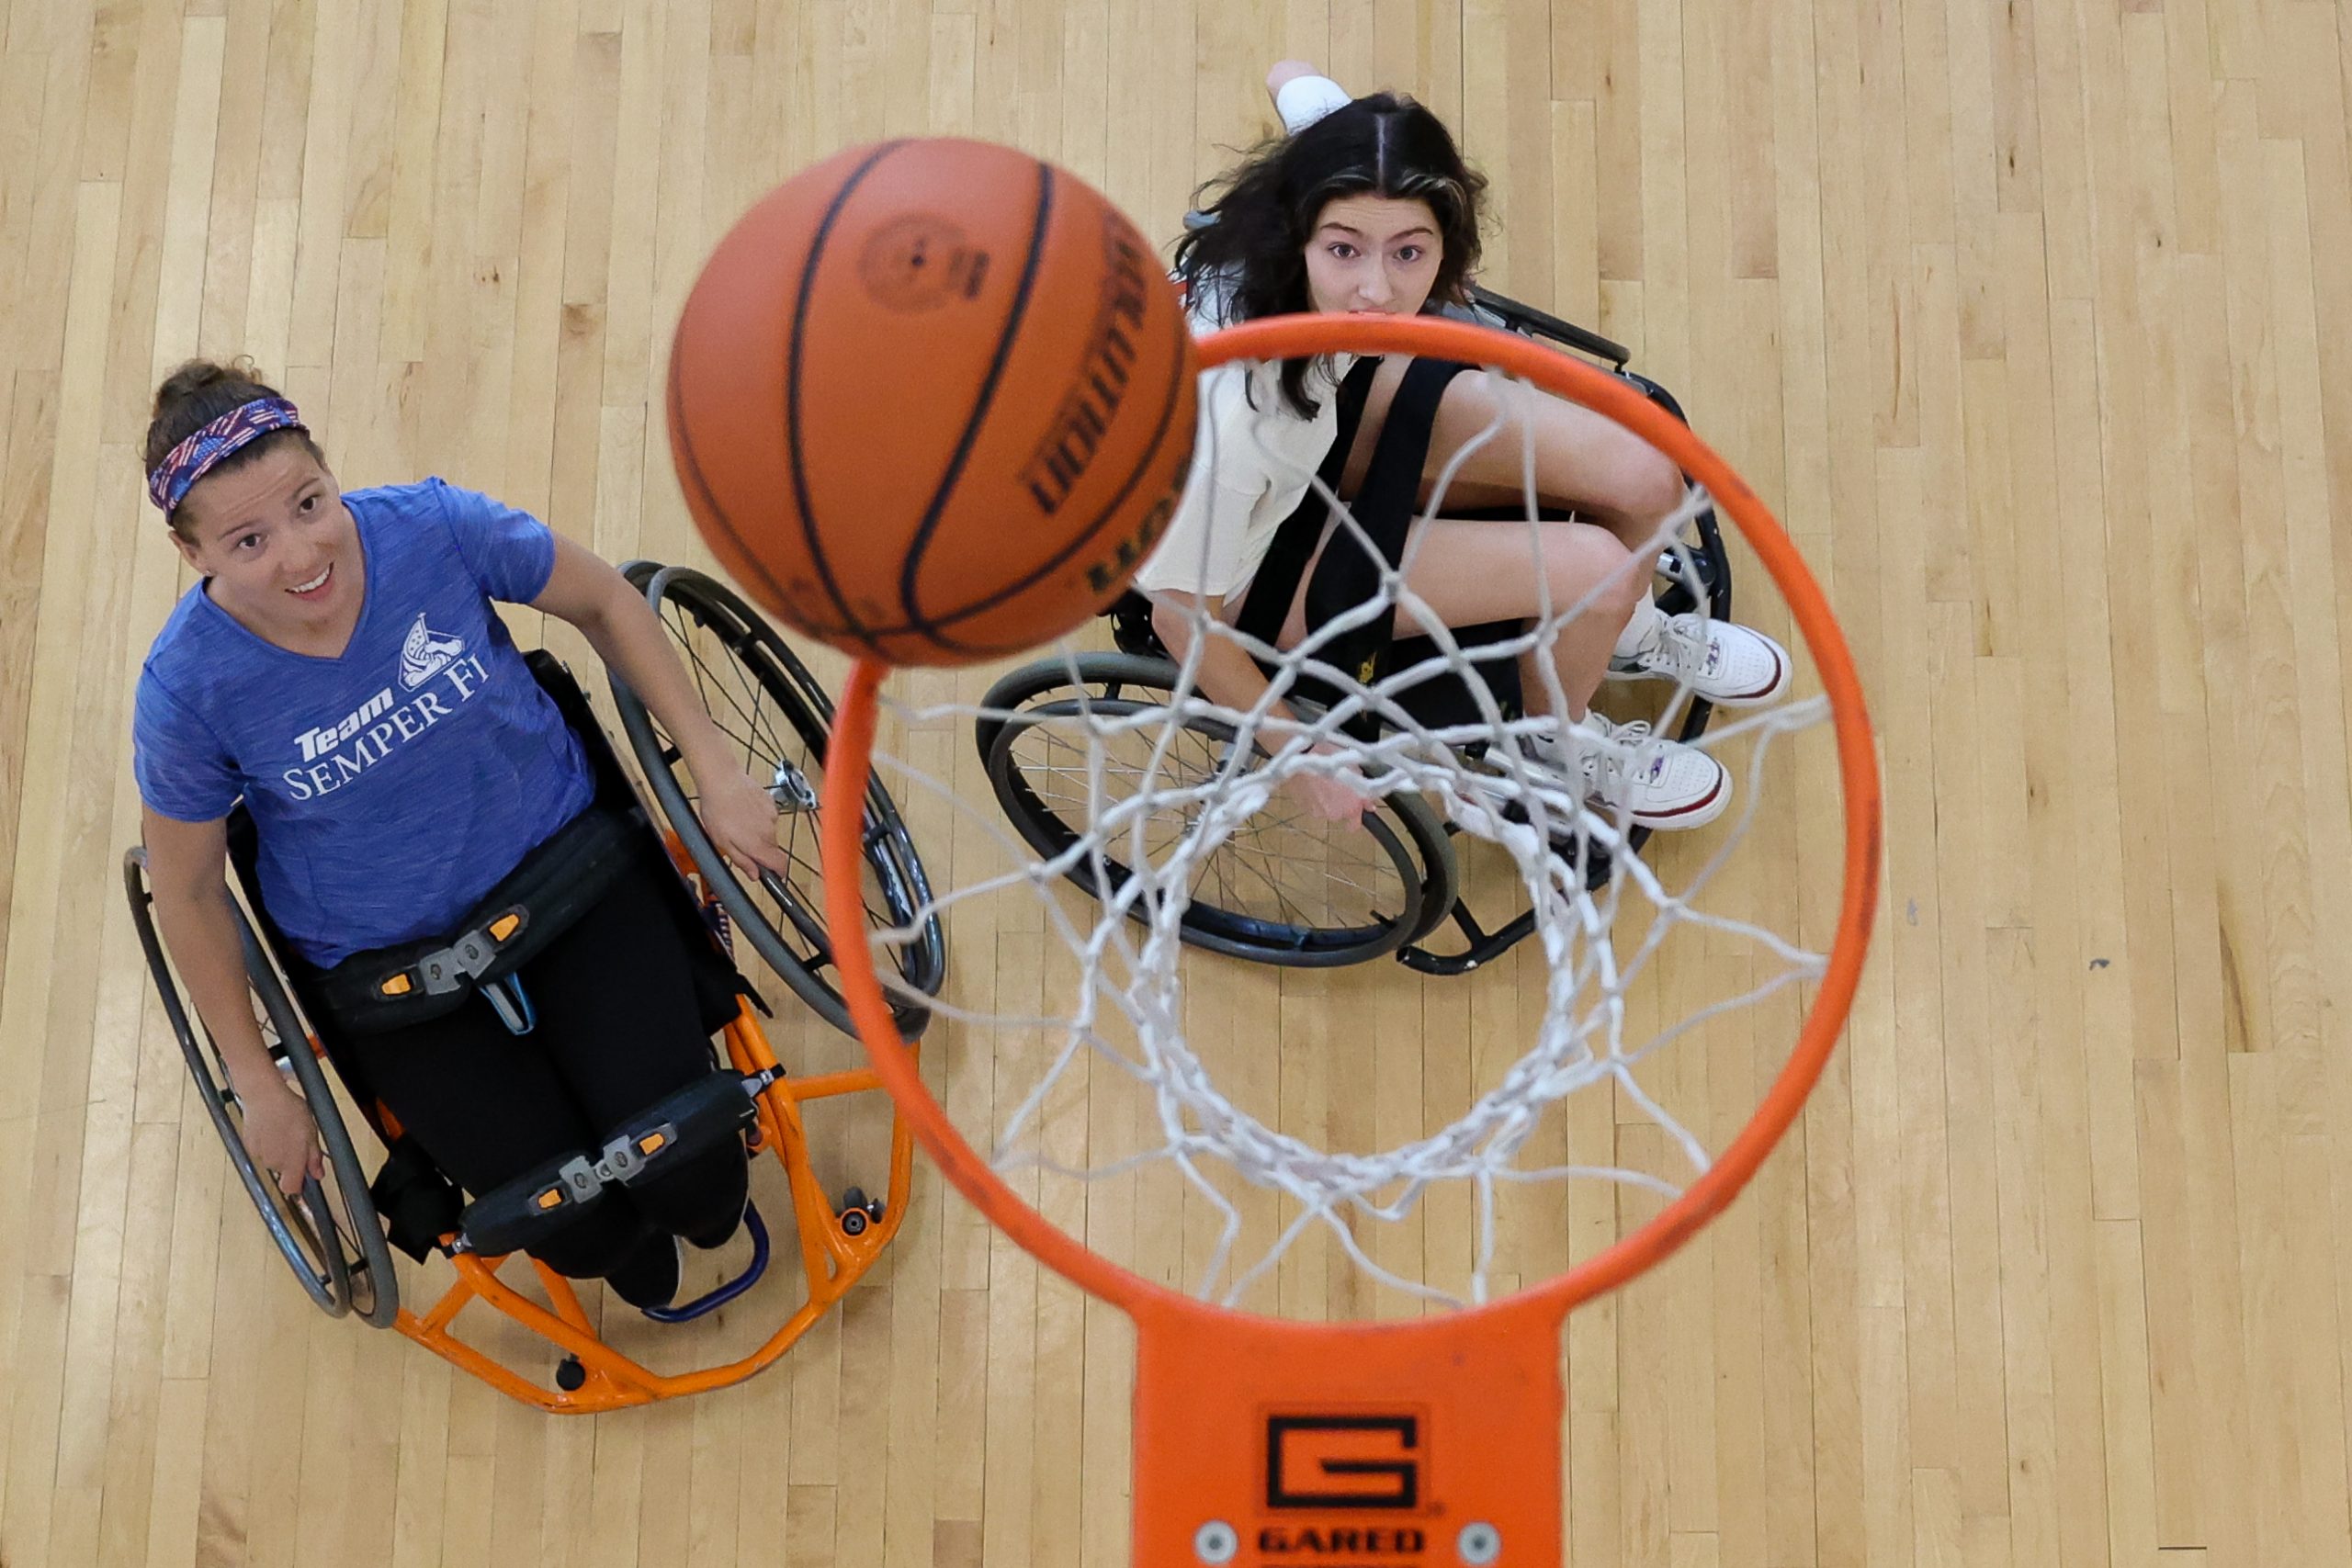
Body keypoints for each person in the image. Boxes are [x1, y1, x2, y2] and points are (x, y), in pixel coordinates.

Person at [132, 359, 792, 1309]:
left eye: (311, 503)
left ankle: (690, 1208)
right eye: (248, 540)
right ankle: (625, 1250)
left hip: (567, 875)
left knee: (701, 1187)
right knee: (588, 1237)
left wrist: (719, 774)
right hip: (392, 972)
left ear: (328, 468)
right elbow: (187, 889)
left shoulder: (431, 527)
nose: (300, 555)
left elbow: (609, 600)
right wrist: (257, 1082)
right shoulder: (186, 691)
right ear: (196, 557)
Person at [1133, 63, 1791, 830]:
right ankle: (1547, 746)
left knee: (1650, 475)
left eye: (1409, 252)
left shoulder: (1339, 175)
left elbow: (1292, 81)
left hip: (1317, 412)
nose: (1376, 291)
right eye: (1345, 251)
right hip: (1251, 569)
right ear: (1297, 231)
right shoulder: (1229, 424)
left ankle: (1622, 633)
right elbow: (1183, 622)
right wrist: (1302, 753)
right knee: (1596, 572)